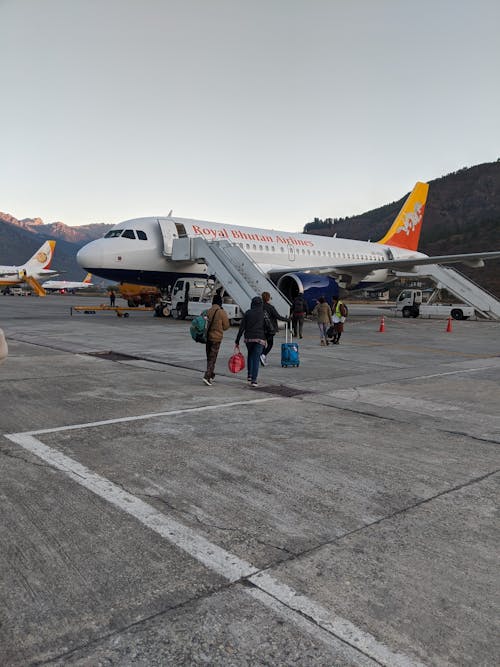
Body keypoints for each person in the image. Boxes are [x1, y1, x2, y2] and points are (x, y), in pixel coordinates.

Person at [235, 295, 266, 387]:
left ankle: (249, 375)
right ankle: (254, 380)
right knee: (256, 358)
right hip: (260, 338)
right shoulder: (263, 313)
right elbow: (267, 327)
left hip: (249, 338)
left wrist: (237, 340)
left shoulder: (248, 313)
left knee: (250, 355)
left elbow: (242, 328)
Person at [203, 294, 230, 386]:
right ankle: (207, 376)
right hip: (216, 338)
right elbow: (226, 326)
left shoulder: (208, 311)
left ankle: (210, 374)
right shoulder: (222, 312)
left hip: (208, 337)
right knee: (213, 358)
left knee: (209, 357)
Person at [260, 291, 289, 366]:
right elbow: (277, 316)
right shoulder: (271, 307)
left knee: (263, 343)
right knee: (270, 344)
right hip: (269, 329)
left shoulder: (259, 306)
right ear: (268, 298)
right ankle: (263, 355)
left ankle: (263, 357)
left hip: (261, 328)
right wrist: (287, 320)